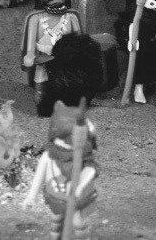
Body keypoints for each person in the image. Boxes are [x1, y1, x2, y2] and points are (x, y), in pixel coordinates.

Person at [23, 101, 98, 239]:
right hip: (56, 193)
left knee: (77, 222)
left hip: (75, 197)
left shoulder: (83, 157)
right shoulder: (49, 155)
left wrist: (79, 187)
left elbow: (90, 171)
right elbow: (39, 175)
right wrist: (31, 195)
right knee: (56, 219)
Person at [22, 0, 81, 104]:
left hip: (65, 57)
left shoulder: (71, 17)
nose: (57, 0)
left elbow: (79, 41)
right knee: (41, 81)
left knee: (66, 82)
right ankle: (42, 99)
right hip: (44, 57)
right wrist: (30, 54)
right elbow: (30, 46)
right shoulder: (36, 19)